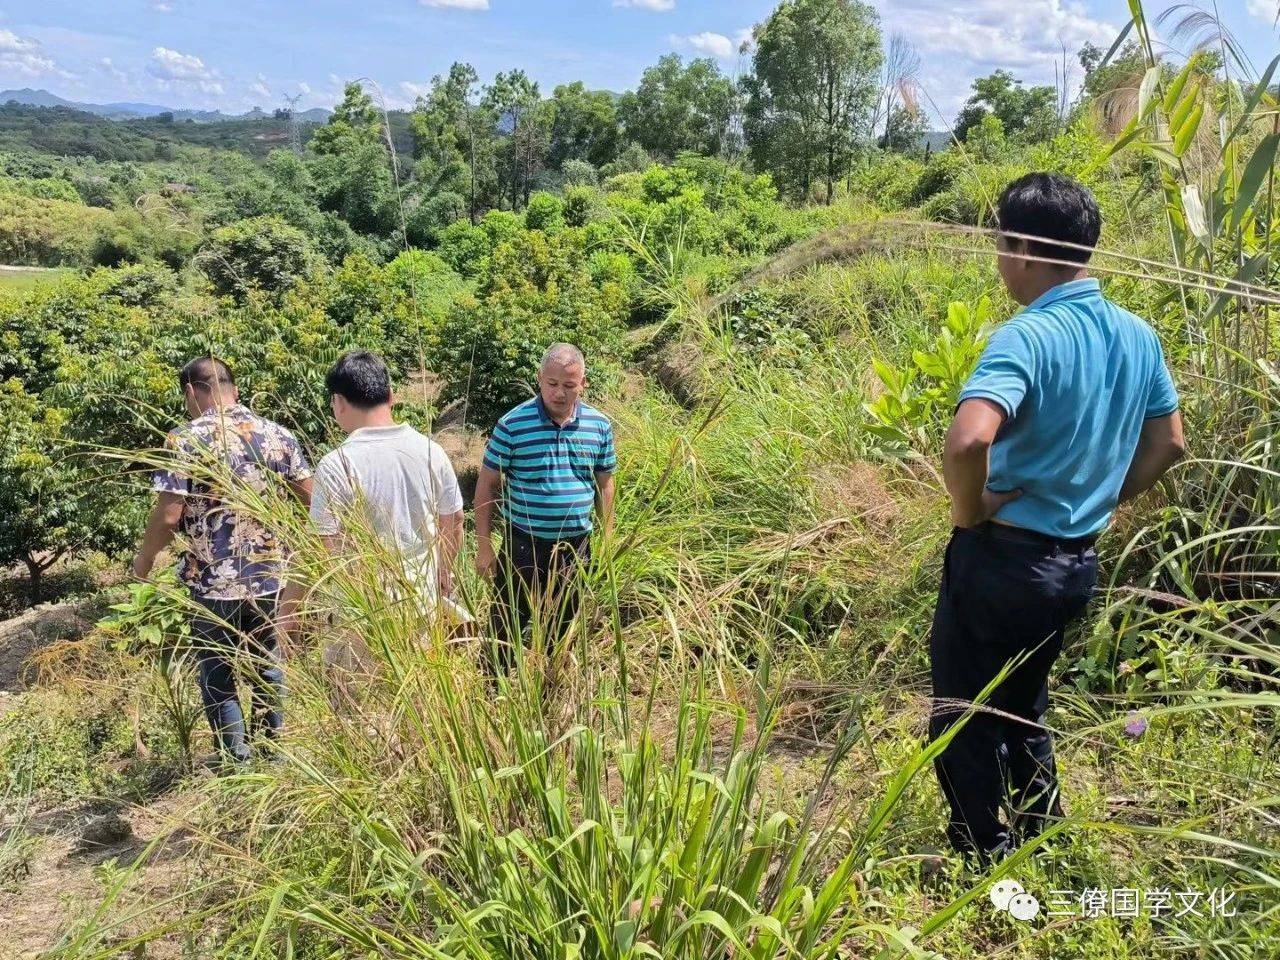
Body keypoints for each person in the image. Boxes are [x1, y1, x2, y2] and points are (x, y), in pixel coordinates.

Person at [930, 172, 1185, 863]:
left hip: (1003, 558)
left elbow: (969, 438)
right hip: (1075, 564)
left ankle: (982, 853)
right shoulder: (1138, 336)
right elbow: (1170, 443)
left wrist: (970, 511)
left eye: (1000, 244)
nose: (999, 259)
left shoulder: (1027, 337)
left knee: (966, 714)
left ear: (1023, 250)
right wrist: (1107, 497)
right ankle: (1042, 831)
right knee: (1025, 701)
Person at [133, 357, 313, 766]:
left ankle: (236, 766)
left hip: (212, 581)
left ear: (191, 392)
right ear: (232, 386)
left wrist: (143, 562)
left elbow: (168, 516)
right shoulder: (276, 435)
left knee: (217, 674)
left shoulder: (184, 440)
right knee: (268, 664)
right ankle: (274, 760)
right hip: (271, 576)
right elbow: (311, 499)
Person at [306, 350, 465, 676]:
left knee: (359, 713)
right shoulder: (431, 451)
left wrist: (297, 613)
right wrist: (443, 575)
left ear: (337, 402)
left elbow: (325, 548)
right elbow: (455, 522)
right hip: (423, 605)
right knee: (421, 703)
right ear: (391, 396)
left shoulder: (337, 465)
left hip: (359, 614)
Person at [475, 343, 616, 676]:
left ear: (583, 384)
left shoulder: (599, 426)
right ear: (539, 379)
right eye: (552, 384)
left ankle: (554, 693)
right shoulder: (513, 424)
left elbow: (605, 484)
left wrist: (607, 536)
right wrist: (483, 548)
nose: (559, 393)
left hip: (575, 548)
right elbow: (487, 484)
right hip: (522, 545)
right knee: (505, 626)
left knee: (565, 628)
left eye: (569, 385)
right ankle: (494, 693)